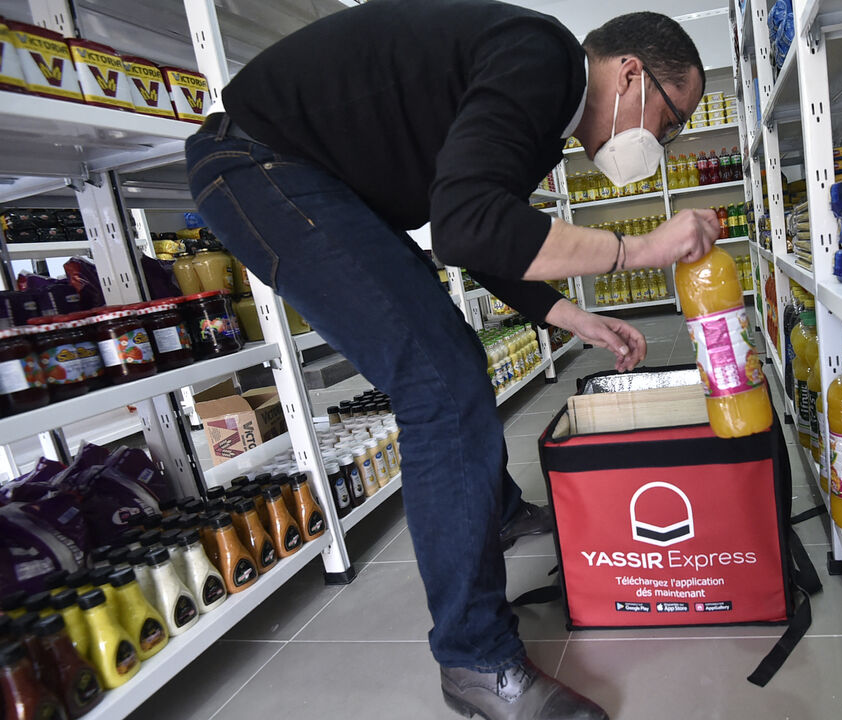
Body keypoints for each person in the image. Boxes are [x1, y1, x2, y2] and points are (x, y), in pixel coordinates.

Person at [185, 1, 718, 718]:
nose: (667, 138)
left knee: (450, 358)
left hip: (308, 173)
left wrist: (568, 315)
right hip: (261, 164)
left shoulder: (544, 107)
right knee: (442, 383)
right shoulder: (542, 58)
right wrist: (640, 249)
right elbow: (470, 224)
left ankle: (491, 512)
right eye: (672, 117)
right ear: (630, 72)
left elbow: (473, 232)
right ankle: (475, 660)